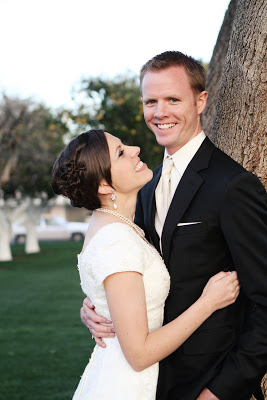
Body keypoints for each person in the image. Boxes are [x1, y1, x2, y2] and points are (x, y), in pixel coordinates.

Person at [81, 52, 267, 400]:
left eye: (173, 99)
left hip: (208, 381)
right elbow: (134, 271)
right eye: (151, 101)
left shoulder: (233, 186)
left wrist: (221, 391)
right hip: (152, 378)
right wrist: (97, 308)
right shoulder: (145, 187)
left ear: (200, 102)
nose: (160, 112)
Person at [51, 129, 239, 400]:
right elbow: (139, 355)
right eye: (120, 152)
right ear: (104, 185)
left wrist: (93, 308)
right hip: (127, 386)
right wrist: (208, 302)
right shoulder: (116, 240)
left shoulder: (118, 226)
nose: (135, 148)